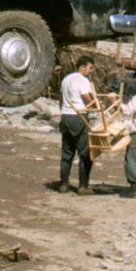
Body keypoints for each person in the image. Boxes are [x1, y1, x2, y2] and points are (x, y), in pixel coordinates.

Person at [59, 55, 98, 195]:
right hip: (79, 116)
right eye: (90, 68)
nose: (91, 71)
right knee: (85, 153)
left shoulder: (66, 79)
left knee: (67, 152)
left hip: (65, 116)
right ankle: (83, 186)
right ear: (82, 67)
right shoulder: (83, 80)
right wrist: (97, 105)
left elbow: (61, 99)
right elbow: (87, 99)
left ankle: (64, 184)